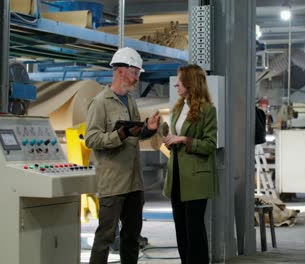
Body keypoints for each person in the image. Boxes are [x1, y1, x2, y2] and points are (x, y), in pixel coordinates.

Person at [85, 47, 160, 264]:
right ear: (119, 71)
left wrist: (149, 130)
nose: (137, 78)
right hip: (113, 183)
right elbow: (92, 139)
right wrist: (117, 135)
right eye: (134, 72)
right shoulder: (100, 103)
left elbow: (134, 136)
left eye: (138, 73)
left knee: (131, 236)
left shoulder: (131, 101)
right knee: (105, 237)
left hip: (134, 183)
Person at [163, 64, 218, 264]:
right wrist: (169, 139)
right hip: (177, 176)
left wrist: (184, 140)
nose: (176, 84)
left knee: (195, 231)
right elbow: (176, 139)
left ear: (190, 83)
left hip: (196, 179)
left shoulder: (207, 110)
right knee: (181, 230)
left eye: (179, 80)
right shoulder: (179, 108)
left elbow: (210, 145)